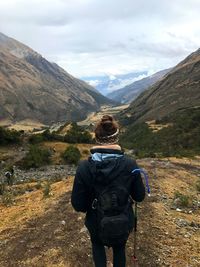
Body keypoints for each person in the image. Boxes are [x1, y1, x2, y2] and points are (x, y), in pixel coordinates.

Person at [71, 115, 145, 267]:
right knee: (119, 247)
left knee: (97, 245)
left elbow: (78, 205)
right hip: (123, 219)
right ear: (116, 137)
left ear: (97, 138)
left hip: (96, 222)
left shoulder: (84, 167)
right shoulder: (130, 164)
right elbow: (139, 196)